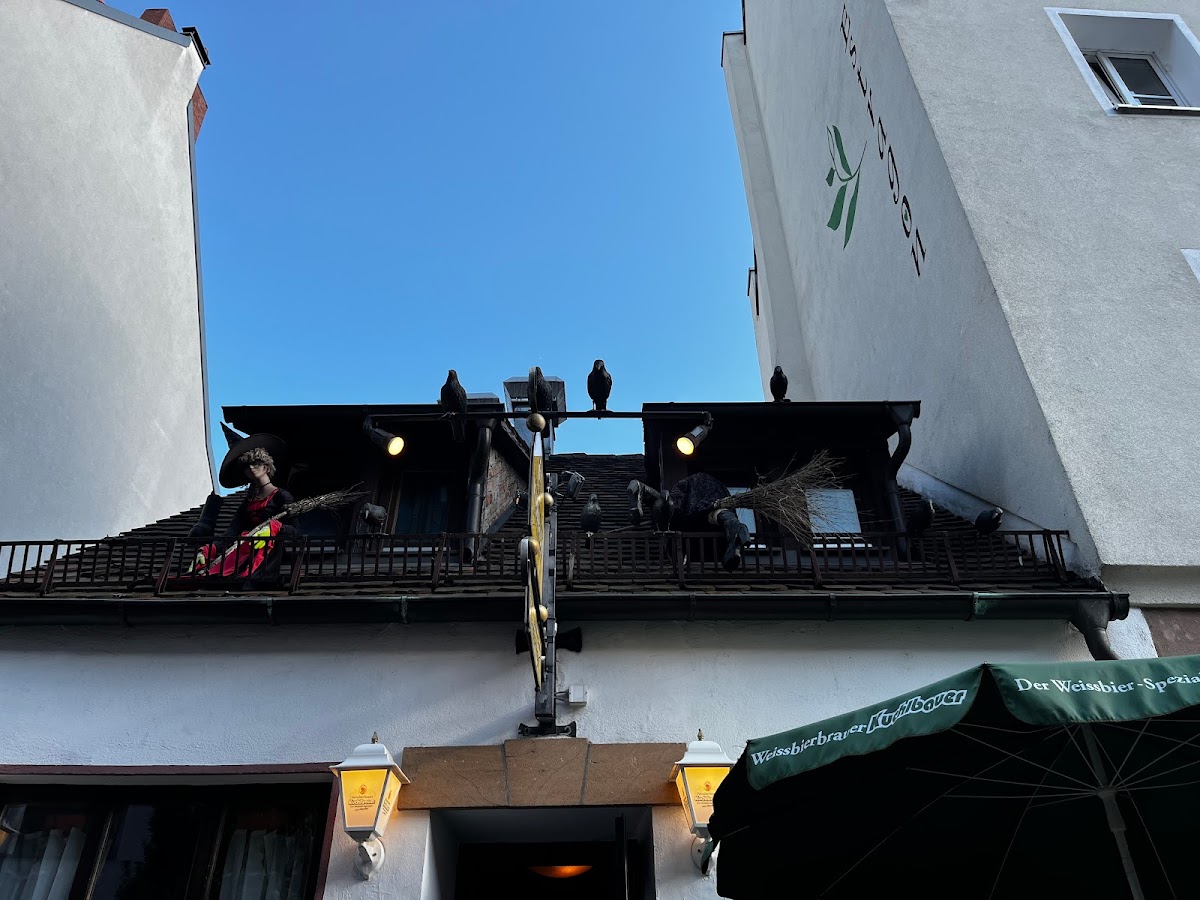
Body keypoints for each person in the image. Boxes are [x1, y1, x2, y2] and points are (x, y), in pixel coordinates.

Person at [191, 448, 297, 578]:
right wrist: (207, 550)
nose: (251, 468)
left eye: (256, 463)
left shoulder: (282, 496)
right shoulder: (247, 503)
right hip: (242, 552)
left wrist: (275, 528)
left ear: (266, 467)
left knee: (247, 580)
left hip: (267, 556)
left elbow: (295, 530)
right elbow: (231, 533)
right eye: (247, 466)